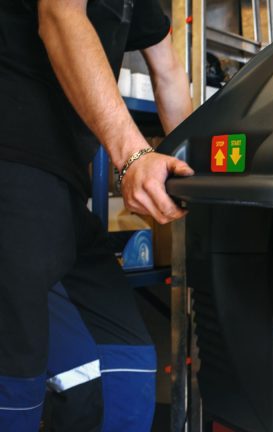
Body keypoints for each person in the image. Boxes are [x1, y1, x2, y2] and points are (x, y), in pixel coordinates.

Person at [0, 0, 194, 429]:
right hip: (11, 169)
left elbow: (169, 73)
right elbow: (61, 16)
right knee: (22, 389)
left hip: (65, 191)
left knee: (124, 371)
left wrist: (197, 176)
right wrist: (134, 155)